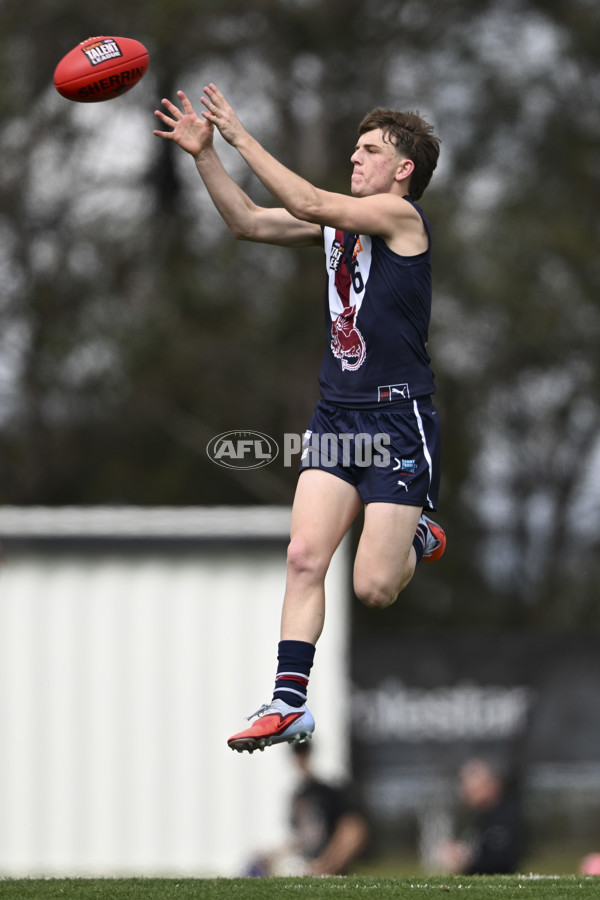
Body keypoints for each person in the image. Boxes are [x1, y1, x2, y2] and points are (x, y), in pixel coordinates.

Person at [153, 84, 445, 752]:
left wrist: (239, 134)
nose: (355, 157)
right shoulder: (338, 225)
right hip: (335, 416)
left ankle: (414, 533)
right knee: (304, 557)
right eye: (356, 148)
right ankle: (288, 703)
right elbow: (249, 223)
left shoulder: (403, 220)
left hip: (397, 422)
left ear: (403, 170)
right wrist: (204, 156)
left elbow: (309, 200)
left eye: (370, 151)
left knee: (373, 586)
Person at [245, 740, 368, 877]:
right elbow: (301, 838)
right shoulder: (297, 797)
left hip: (326, 860)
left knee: (354, 829)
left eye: (303, 754)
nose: (301, 760)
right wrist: (274, 854)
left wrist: (325, 863)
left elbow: (352, 830)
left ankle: (322, 871)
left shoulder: (328, 792)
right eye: (298, 755)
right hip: (304, 862)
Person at [434, 758, 525, 875]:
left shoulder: (503, 817)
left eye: (469, 785)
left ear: (490, 784)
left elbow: (502, 862)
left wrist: (463, 860)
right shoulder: (483, 818)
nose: (464, 791)